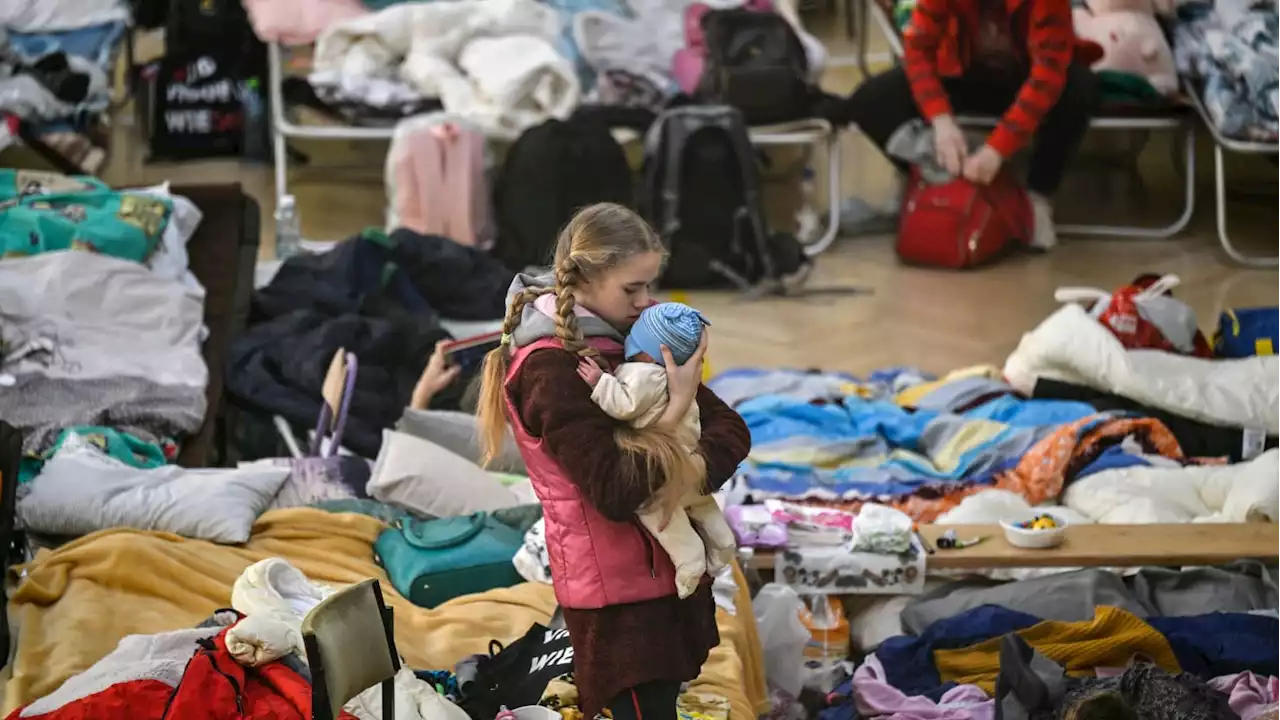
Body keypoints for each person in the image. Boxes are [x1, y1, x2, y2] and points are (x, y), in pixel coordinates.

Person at [475, 203, 751, 720]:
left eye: (649, 287)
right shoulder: (550, 369)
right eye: (633, 289)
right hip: (615, 597)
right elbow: (615, 490)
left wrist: (680, 467)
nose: (646, 303)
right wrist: (675, 419)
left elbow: (733, 430)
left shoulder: (629, 338)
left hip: (656, 577)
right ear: (585, 277)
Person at [837, 0, 1102, 249]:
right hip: (962, 72)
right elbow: (917, 47)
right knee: (869, 99)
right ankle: (937, 168)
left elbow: (1048, 75)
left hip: (1024, 75)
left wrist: (997, 149)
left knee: (1080, 87)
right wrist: (940, 121)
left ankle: (1036, 198)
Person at [576, 301, 737, 599]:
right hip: (690, 460)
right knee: (703, 505)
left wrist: (600, 382)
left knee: (662, 516)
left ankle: (691, 563)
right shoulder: (679, 379)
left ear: (647, 350)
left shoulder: (642, 374)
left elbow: (624, 406)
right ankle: (724, 544)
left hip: (664, 470)